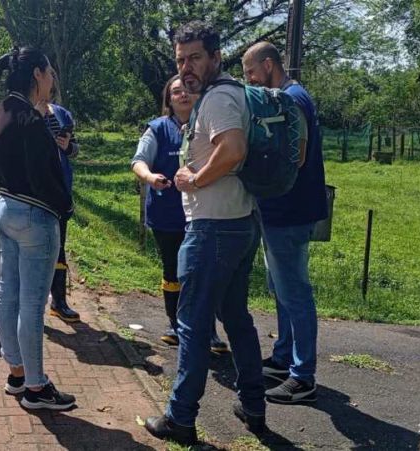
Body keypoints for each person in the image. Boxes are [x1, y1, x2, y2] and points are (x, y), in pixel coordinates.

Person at [144, 22, 266, 445]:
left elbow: (233, 149)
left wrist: (194, 179)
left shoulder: (219, 98)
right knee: (235, 316)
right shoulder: (229, 94)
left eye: (195, 57)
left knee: (192, 323)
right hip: (238, 224)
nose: (187, 67)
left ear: (216, 57)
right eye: (180, 59)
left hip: (213, 228)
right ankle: (252, 402)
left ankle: (180, 418)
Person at [0, 46, 77, 410]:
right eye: (49, 72)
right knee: (32, 304)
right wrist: (65, 206)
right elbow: (45, 177)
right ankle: (37, 388)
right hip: (34, 216)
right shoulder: (30, 119)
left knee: (8, 294)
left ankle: (18, 374)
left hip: (3, 208)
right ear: (37, 73)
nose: (52, 79)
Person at [242, 42, 328, 404]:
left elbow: (298, 153)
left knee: (295, 292)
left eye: (250, 72)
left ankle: (302, 375)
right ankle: (283, 356)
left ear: (267, 65)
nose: (249, 79)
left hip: (289, 210)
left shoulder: (292, 99)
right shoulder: (286, 98)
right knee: (281, 288)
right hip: (279, 209)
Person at [131, 75, 230, 353]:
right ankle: (175, 325)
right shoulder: (158, 129)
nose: (183, 94)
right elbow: (138, 161)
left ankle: (207, 330)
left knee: (202, 272)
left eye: (187, 89)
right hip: (166, 215)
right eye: (176, 92)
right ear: (169, 100)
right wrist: (150, 178)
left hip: (203, 213)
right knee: (173, 270)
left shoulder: (210, 125)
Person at [40, 98, 81, 323]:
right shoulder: (25, 113)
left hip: (60, 192)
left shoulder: (62, 114)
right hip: (34, 195)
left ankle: (59, 301)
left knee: (59, 247)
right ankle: (32, 305)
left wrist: (68, 147)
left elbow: (75, 149)